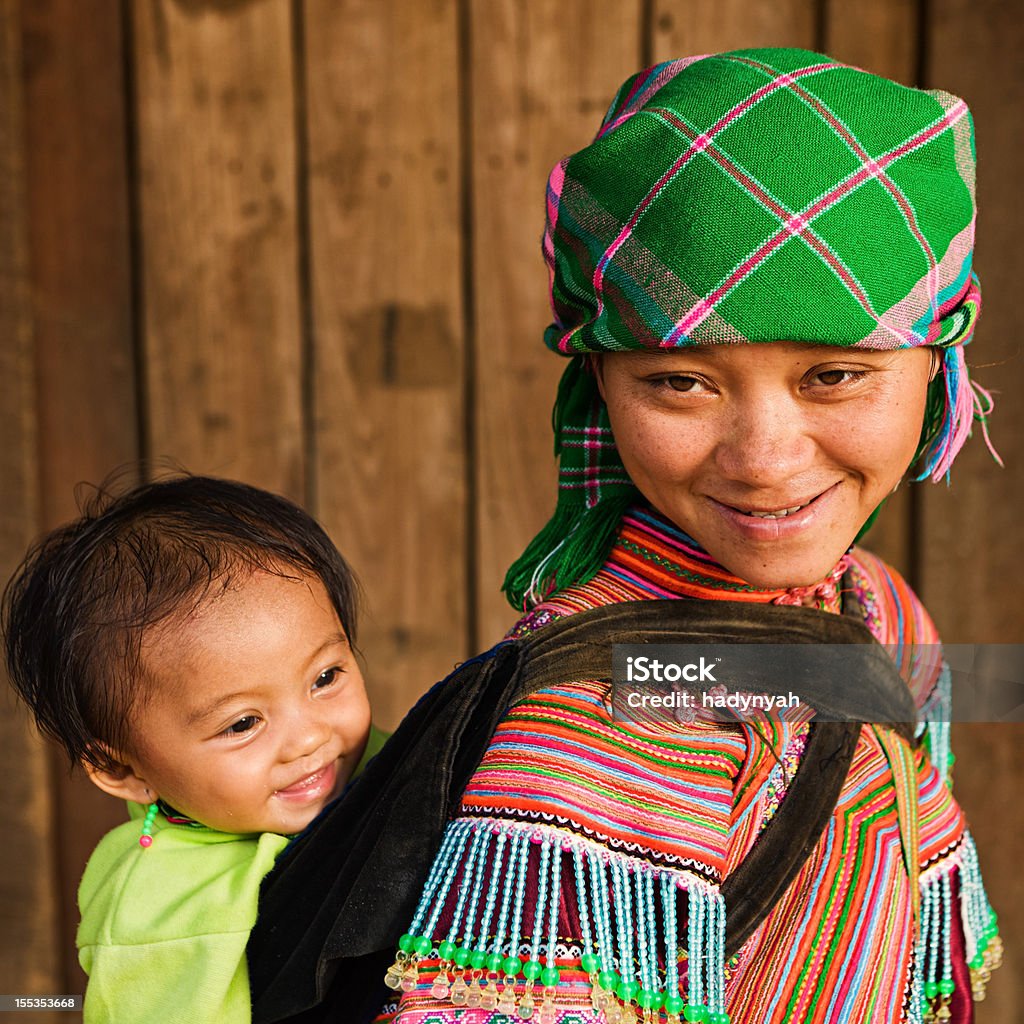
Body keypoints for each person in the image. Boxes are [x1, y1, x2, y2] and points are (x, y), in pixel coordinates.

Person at [245, 48, 1002, 1024]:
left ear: (938, 370)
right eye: (680, 382)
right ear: (597, 382)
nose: (764, 459)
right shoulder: (611, 716)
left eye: (833, 376)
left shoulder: (876, 608)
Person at [2, 475, 386, 1024]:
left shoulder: (385, 764)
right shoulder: (162, 922)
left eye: (325, 677)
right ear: (123, 769)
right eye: (243, 723)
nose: (309, 738)